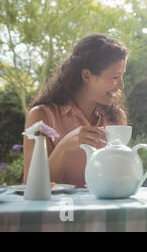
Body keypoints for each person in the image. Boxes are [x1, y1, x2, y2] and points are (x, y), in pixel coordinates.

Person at [23, 34, 129, 188]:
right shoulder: (42, 117)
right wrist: (64, 147)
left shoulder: (117, 118)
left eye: (122, 76)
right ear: (86, 75)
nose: (121, 85)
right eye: (115, 77)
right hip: (59, 211)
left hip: (105, 211)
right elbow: (30, 187)